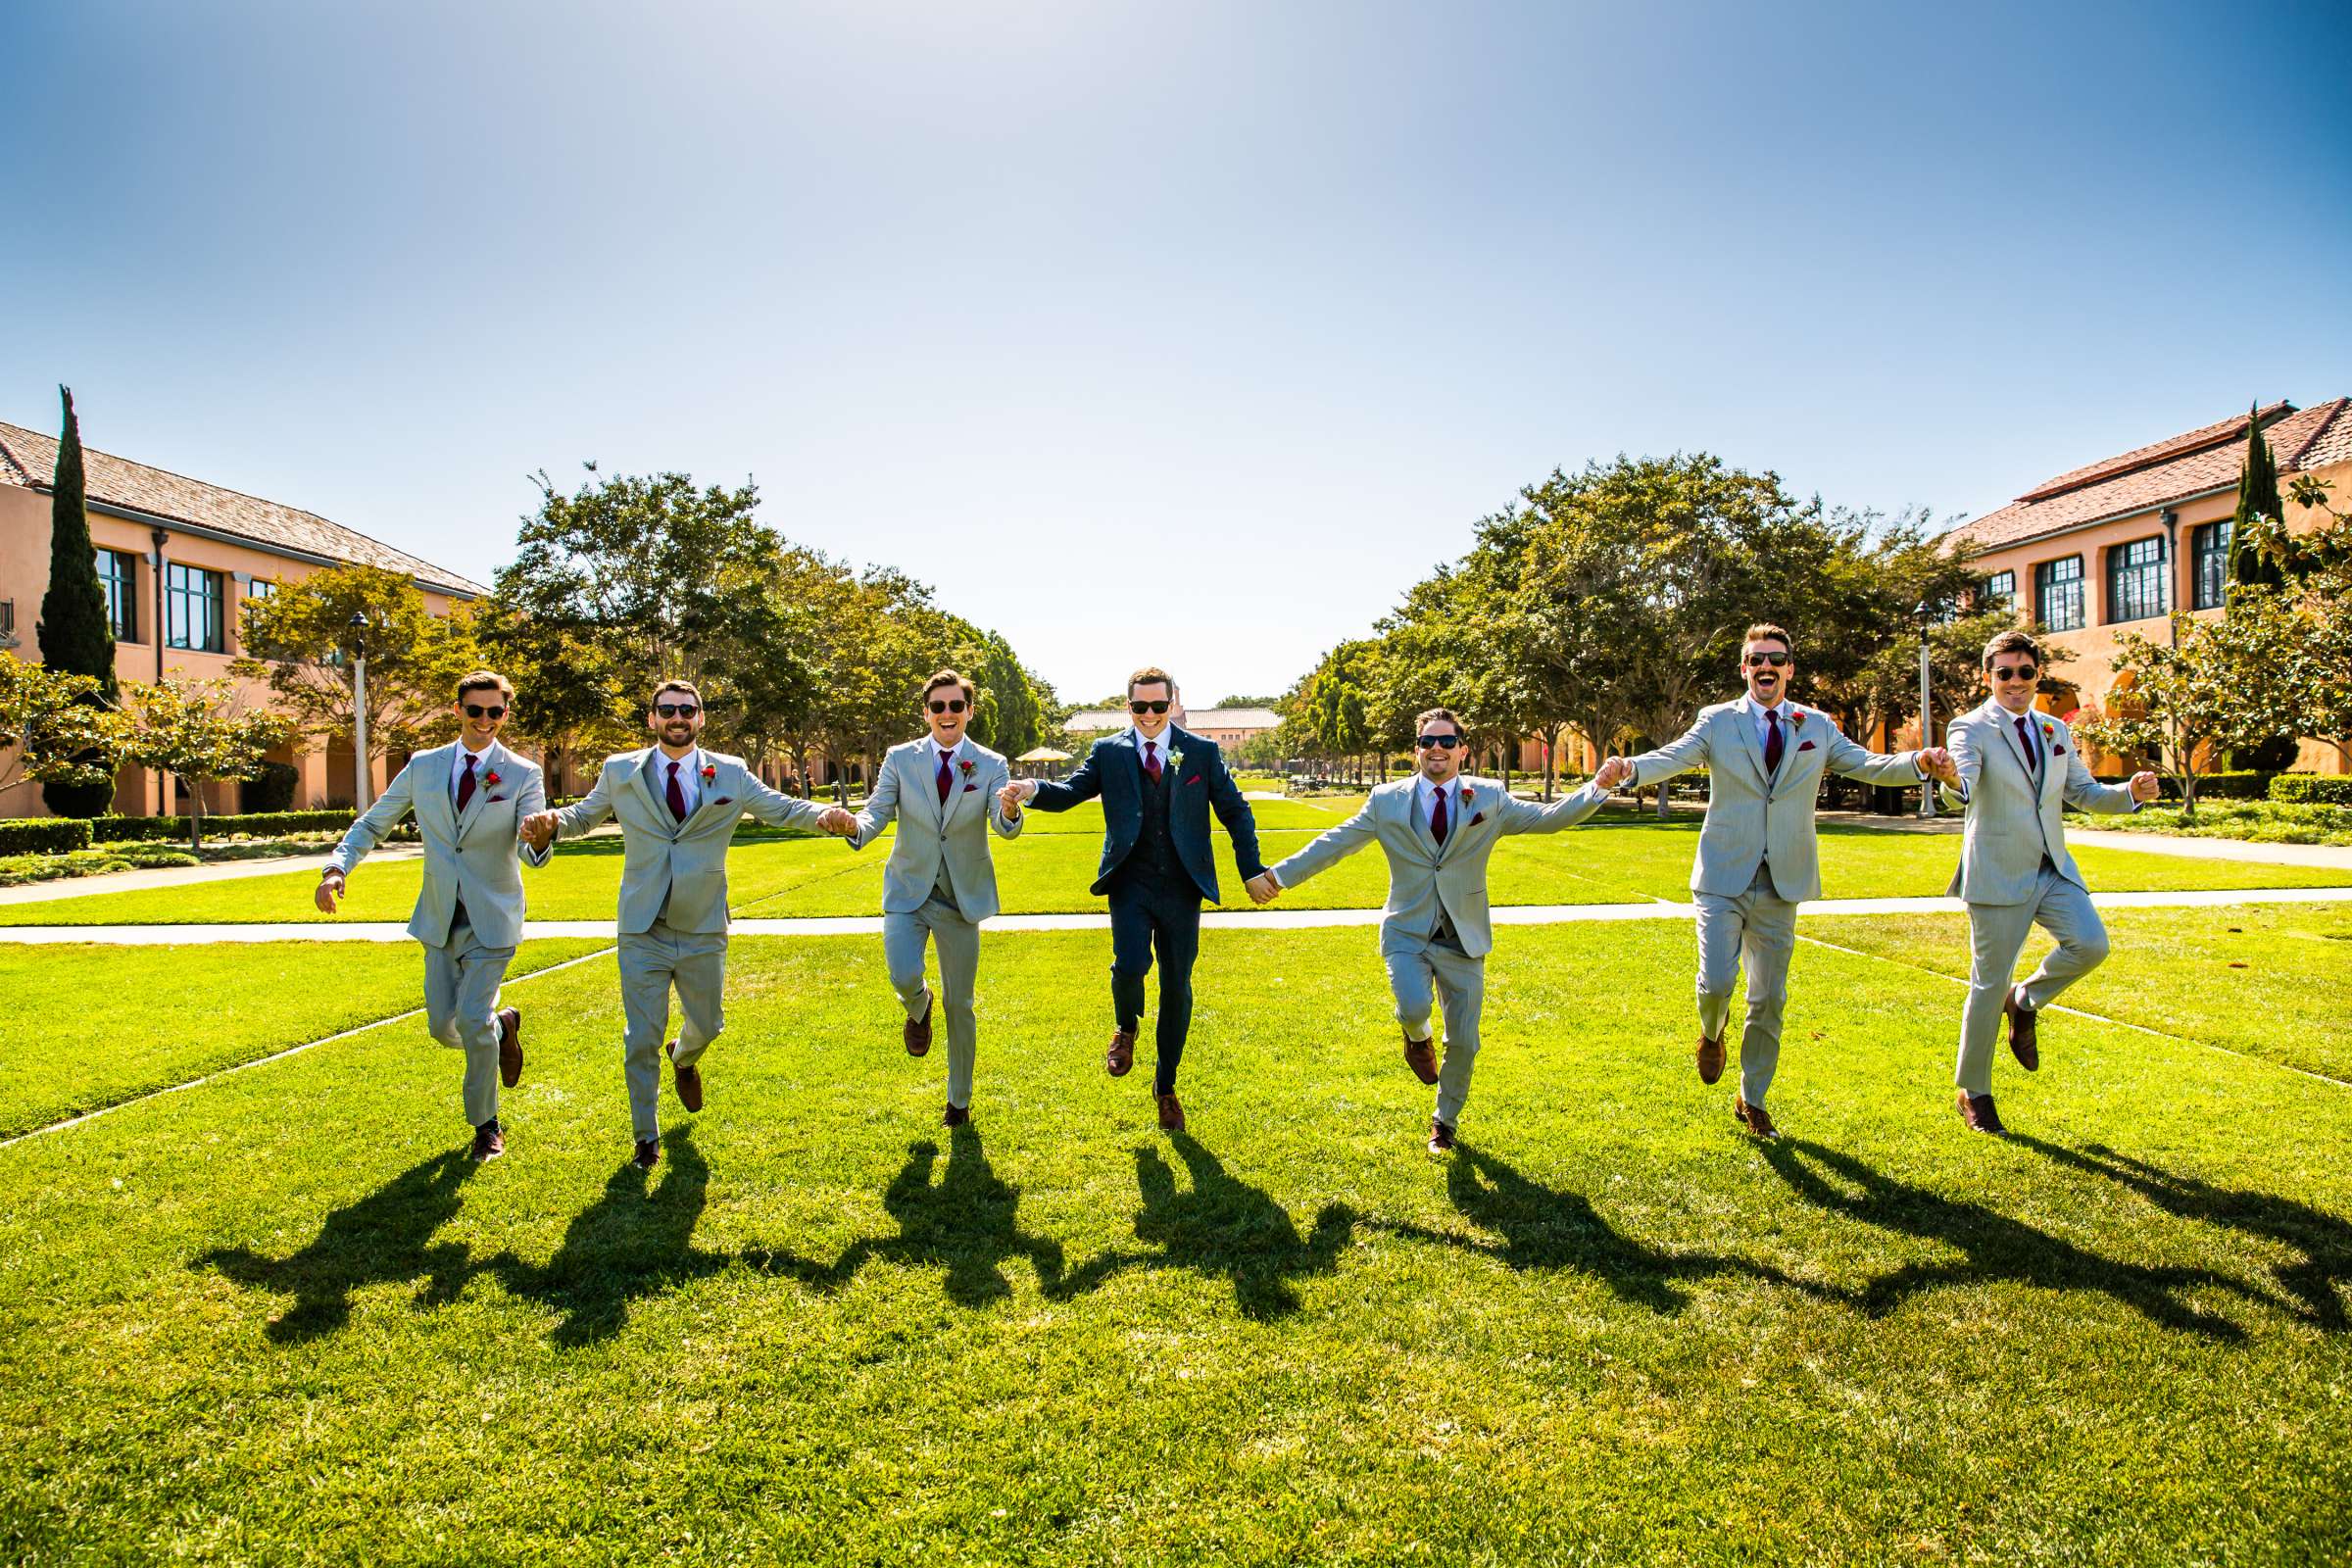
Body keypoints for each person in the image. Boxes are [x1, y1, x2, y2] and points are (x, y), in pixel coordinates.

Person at [1607, 622, 1947, 1139]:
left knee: (1769, 997)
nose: (1766, 667)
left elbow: (1869, 764)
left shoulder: (1817, 725)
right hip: (1723, 874)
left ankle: (1754, 1095)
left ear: (1789, 667)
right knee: (1718, 982)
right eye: (1756, 659)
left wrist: (1918, 762)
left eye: (1776, 659)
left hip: (1784, 879)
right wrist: (1629, 768)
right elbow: (1672, 756)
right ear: (1744, 668)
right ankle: (1710, 1031)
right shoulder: (1717, 721)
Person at [521, 679, 854, 1168]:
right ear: (652, 718)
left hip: (701, 922)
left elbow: (781, 809)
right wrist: (549, 826)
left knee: (708, 1025)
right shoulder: (620, 771)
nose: (677, 718)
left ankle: (685, 1058)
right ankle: (645, 1138)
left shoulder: (732, 773)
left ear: (701, 718)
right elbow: (583, 817)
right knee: (641, 1036)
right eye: (667, 710)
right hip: (642, 924)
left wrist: (826, 816)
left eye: (687, 710)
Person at [1256, 709, 1622, 1152]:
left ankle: (1444, 1122)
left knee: (1465, 1042)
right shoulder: (1386, 800)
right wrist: (1279, 876)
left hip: (1463, 938)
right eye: (1429, 741)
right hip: (1407, 932)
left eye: (1447, 742)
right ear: (1416, 750)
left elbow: (1548, 818)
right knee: (1412, 1007)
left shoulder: (1490, 798)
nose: (1437, 749)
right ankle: (1416, 1037)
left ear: (1462, 751)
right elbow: (1337, 842)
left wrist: (1596, 788)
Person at [998, 665, 1271, 1132]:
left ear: (1173, 706)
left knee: (1176, 987)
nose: (1149, 714)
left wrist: (1251, 870)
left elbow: (1235, 811)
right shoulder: (1109, 752)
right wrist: (1031, 790)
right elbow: (1070, 792)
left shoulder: (1201, 753)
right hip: (1129, 881)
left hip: (1183, 886)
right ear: (1129, 707)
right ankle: (1126, 1025)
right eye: (1140, 706)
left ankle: (1166, 1087)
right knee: (1128, 966)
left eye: (1158, 706)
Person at [318, 670, 549, 1161]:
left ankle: (486, 1125)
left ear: (505, 714)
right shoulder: (424, 767)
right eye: (476, 710)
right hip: (439, 917)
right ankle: (503, 1026)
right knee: (444, 1028)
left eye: (496, 712)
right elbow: (375, 821)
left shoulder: (523, 774)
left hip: (493, 919)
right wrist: (338, 867)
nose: (485, 720)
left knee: (468, 1018)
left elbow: (532, 853)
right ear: (458, 710)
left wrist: (541, 837)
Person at [1934, 628, 2157, 1134]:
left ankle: (2026, 1000)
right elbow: (1963, 784)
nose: (2015, 681)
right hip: (1996, 873)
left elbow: (2081, 791)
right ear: (1988, 677)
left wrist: (2131, 792)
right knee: (1987, 985)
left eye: (2025, 672)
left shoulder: (2056, 730)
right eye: (2004, 673)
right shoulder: (1969, 728)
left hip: (2053, 869)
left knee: (2091, 945)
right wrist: (1949, 780)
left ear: (2038, 675)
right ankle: (1974, 1090)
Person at [846, 668, 1025, 1126]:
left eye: (956, 706)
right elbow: (878, 810)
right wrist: (855, 827)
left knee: (960, 1004)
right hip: (908, 889)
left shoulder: (991, 763)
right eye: (938, 706)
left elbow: (1002, 826)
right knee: (903, 973)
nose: (948, 714)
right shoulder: (900, 758)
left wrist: (1008, 810)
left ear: (969, 712)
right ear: (926, 713)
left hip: (961, 898)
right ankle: (917, 1005)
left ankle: (958, 1101)